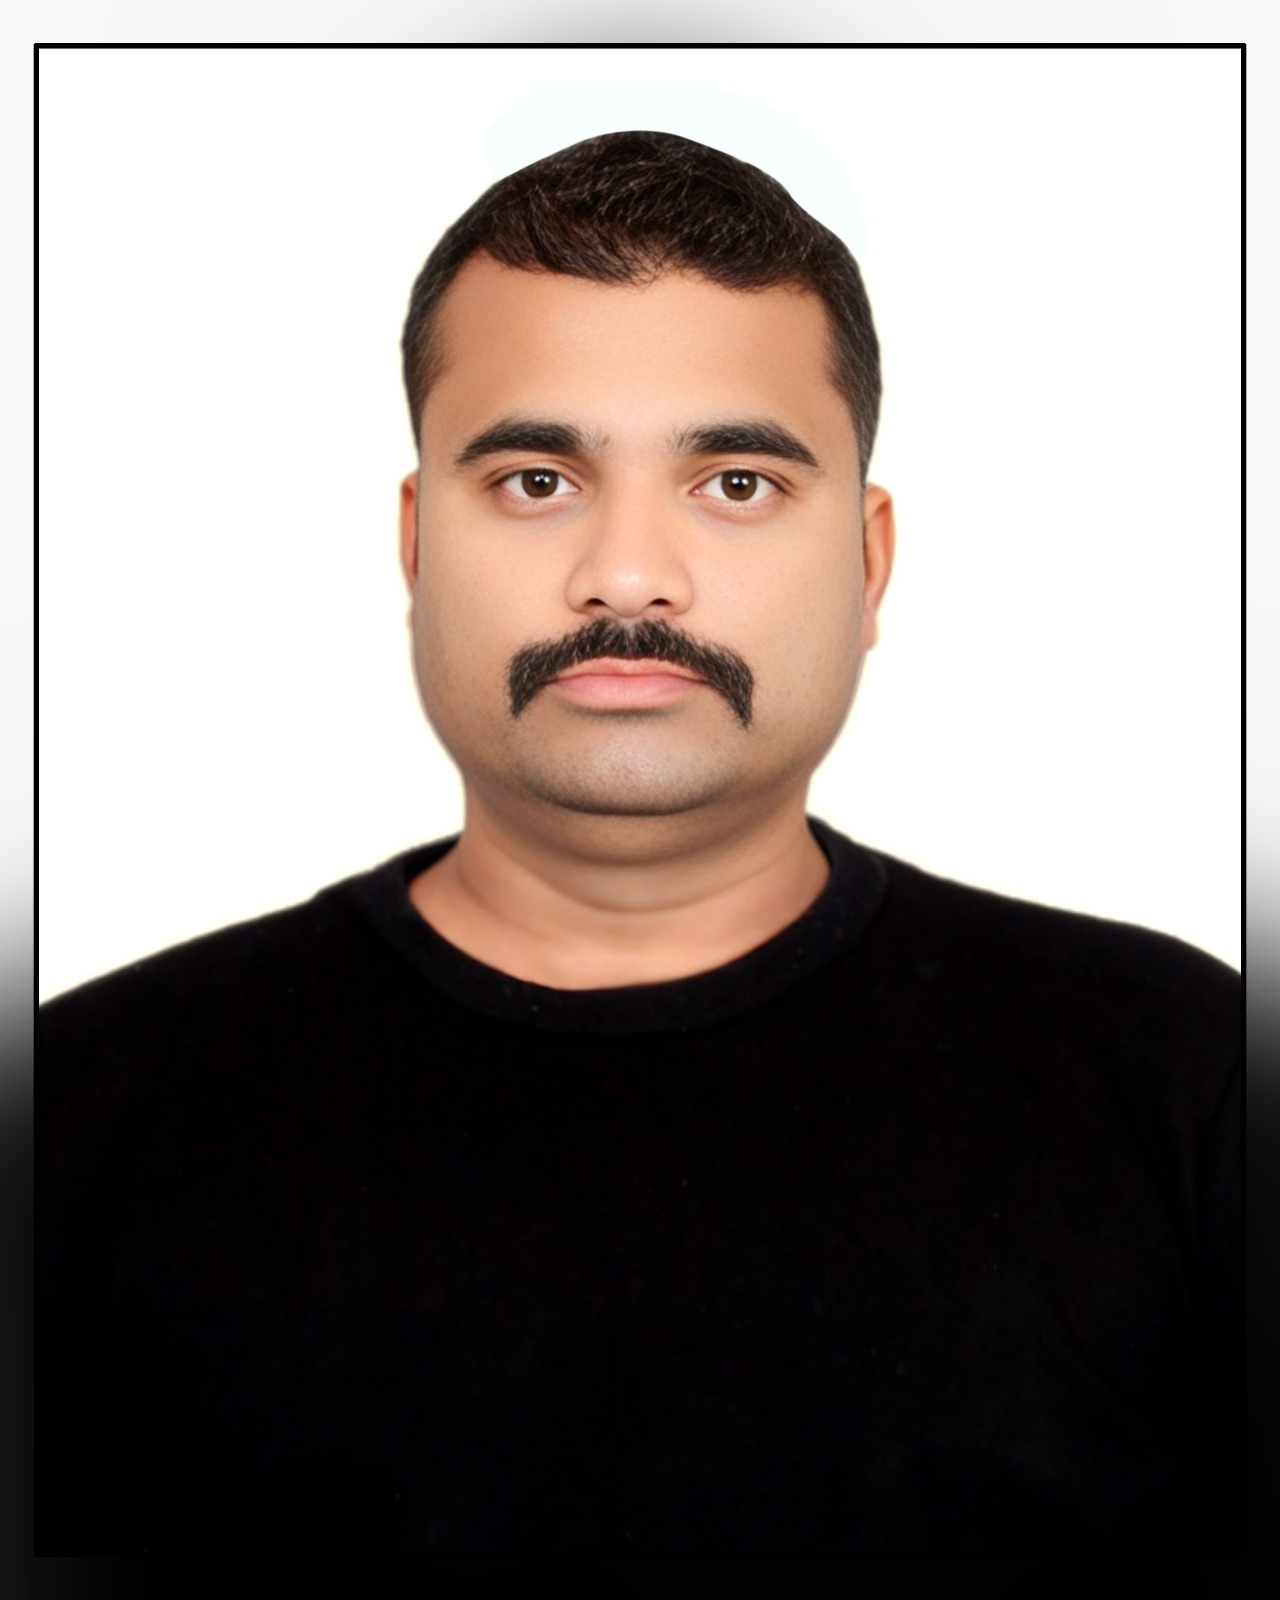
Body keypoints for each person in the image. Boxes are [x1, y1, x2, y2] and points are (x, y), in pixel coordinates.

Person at [38, 131, 1240, 1566]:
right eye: (537, 479)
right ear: (415, 545)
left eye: (734, 483)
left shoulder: (1195, 1085)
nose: (625, 575)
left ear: (868, 564)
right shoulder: (75, 1114)